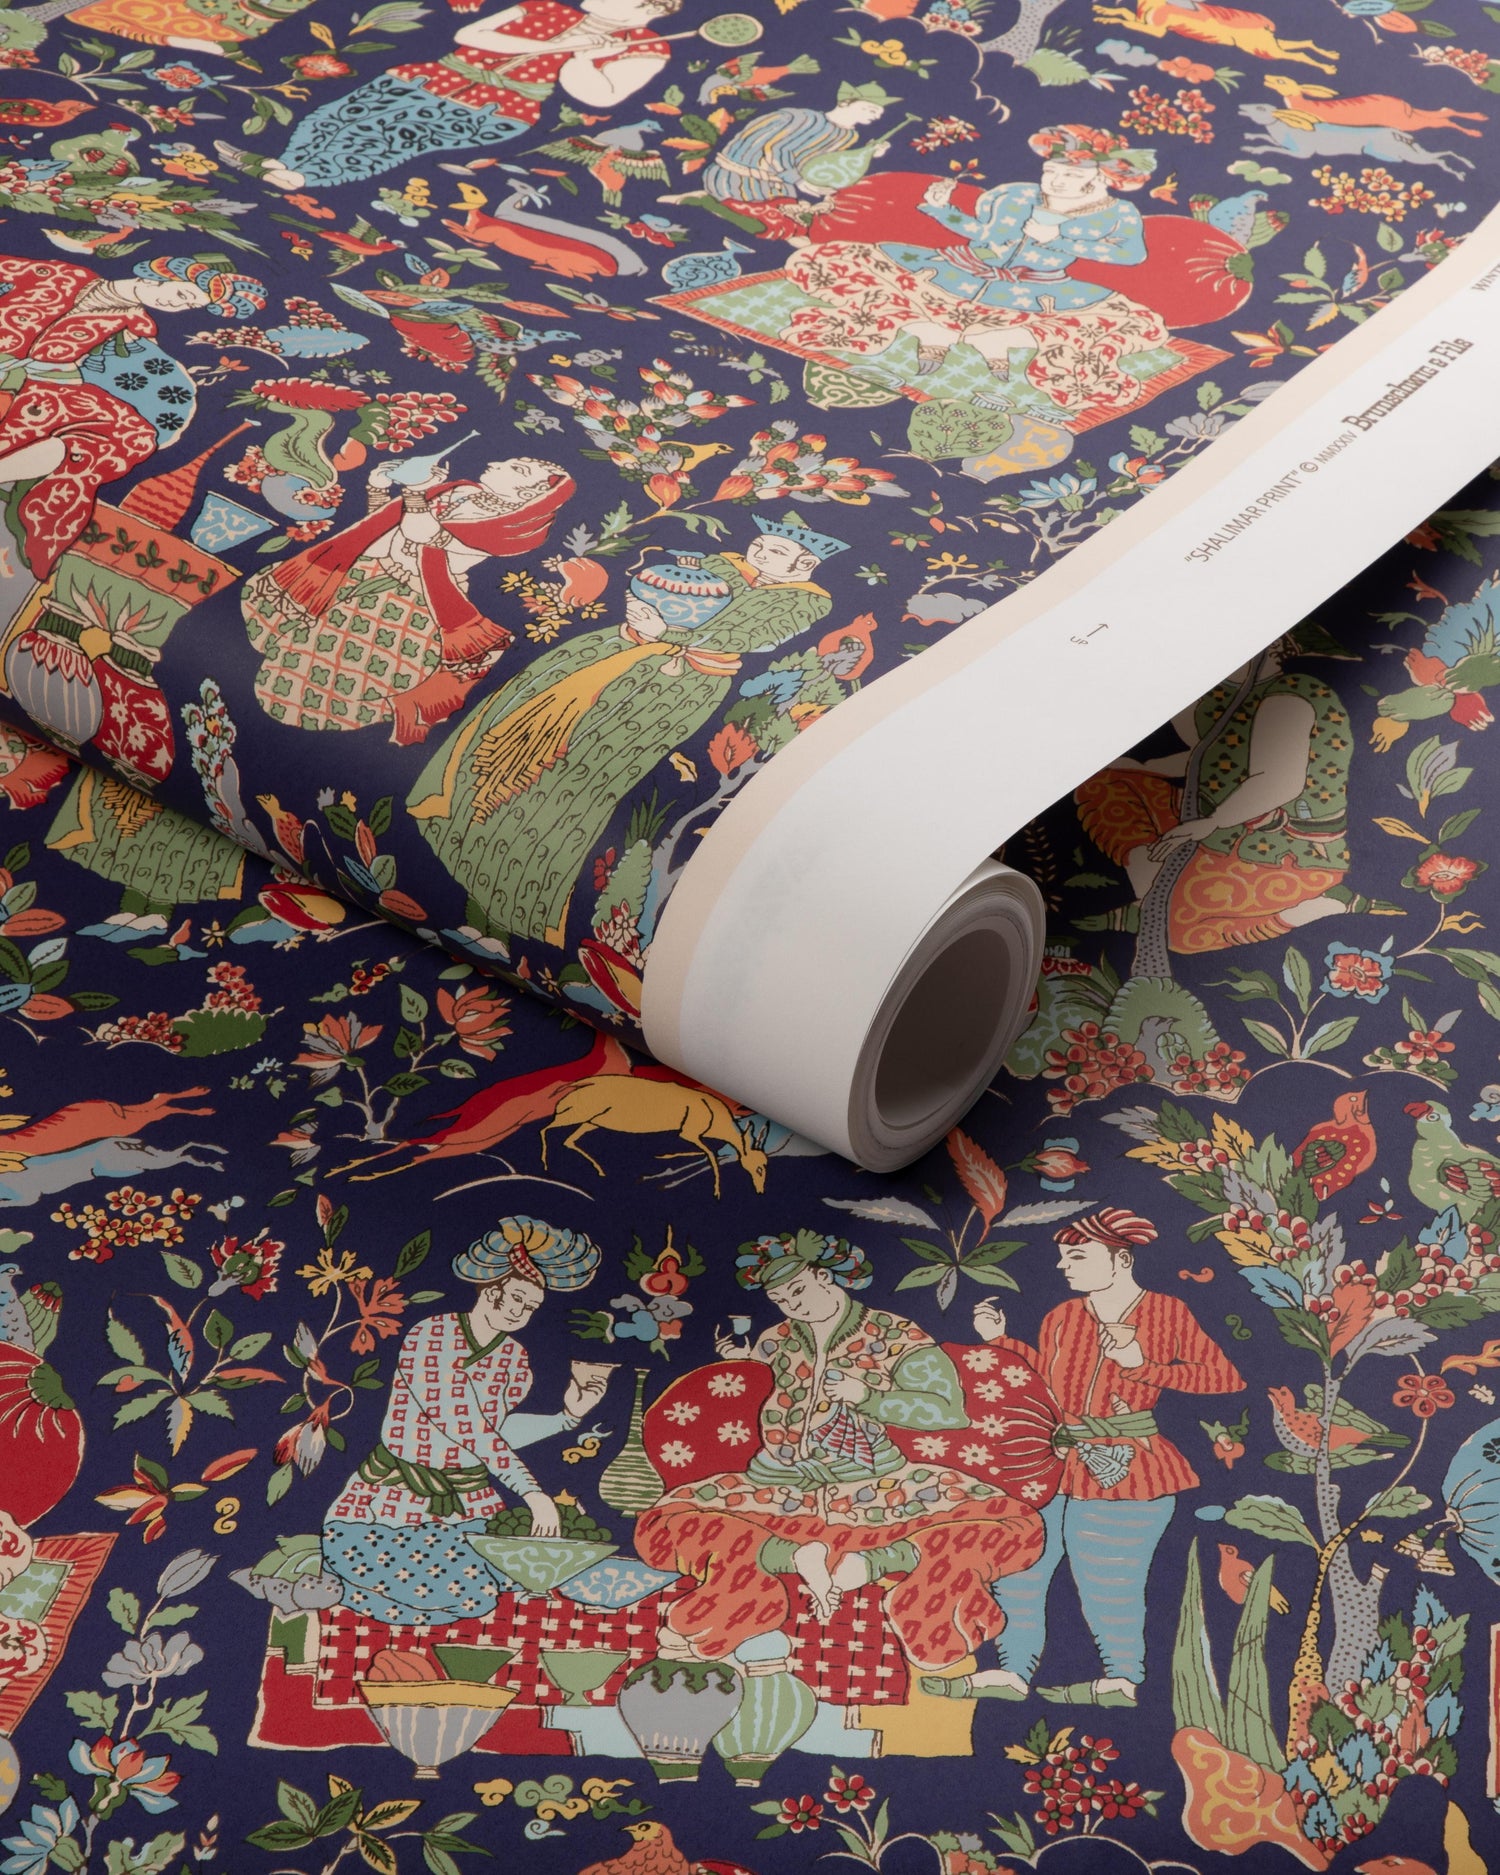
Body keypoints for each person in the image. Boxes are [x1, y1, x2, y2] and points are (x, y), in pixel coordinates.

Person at [408, 511, 844, 945]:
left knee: (576, 772)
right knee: (515, 722)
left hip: (675, 686)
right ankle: (457, 831)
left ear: (805, 563)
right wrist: (644, 609)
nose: (760, 553)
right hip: (616, 648)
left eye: (777, 551)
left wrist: (666, 631)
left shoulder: (805, 602)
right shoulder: (725, 564)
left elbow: (743, 635)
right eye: (761, 544)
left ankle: (511, 894)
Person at [632, 1229, 1046, 1671]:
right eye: (780, 1299)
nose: (792, 1305)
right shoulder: (776, 1338)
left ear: (825, 1277)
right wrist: (744, 1362)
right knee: (661, 1526)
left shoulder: (895, 1334)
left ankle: (883, 1563)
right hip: (776, 1485)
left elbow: (948, 1411)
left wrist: (867, 1396)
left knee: (1017, 1528)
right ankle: (780, 1563)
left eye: (798, 1291)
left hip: (876, 1487)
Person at [921, 1208, 1243, 1708]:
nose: (1063, 1267)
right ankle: (1011, 1671)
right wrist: (999, 1342)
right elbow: (1046, 1383)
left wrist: (1142, 1365)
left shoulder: (1166, 1312)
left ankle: (1121, 1680)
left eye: (1077, 1257)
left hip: (1130, 1469)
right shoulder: (1063, 1315)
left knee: (1108, 1583)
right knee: (1019, 1568)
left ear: (1120, 1260)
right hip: (1053, 1463)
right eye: (1063, 1257)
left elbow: (1224, 1377)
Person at [777, 124, 1170, 451]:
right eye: (1052, 171)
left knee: (1123, 322)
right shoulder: (1018, 194)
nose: (1056, 181)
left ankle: (999, 339)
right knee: (845, 262)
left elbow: (1130, 255)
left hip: (1037, 290)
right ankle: (926, 329)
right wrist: (941, 209)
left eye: (1071, 176)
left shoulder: (1118, 213)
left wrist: (1061, 239)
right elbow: (982, 234)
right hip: (958, 269)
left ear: (1100, 179)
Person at [321, 1218, 611, 1624]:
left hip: (470, 1503)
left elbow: (495, 1432)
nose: (521, 1312)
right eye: (517, 1298)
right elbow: (465, 1426)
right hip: (392, 1502)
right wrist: (533, 1493)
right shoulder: (431, 1337)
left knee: (510, 1589)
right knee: (461, 1596)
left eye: (531, 1307)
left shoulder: (514, 1358)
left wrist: (567, 1417)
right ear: (491, 1291)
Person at [1074, 630, 1390, 953]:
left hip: (1282, 848)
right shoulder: (1228, 695)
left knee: (1179, 934)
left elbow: (1277, 782)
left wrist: (1211, 822)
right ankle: (1152, 894)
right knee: (1104, 786)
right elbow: (1205, 759)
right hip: (1211, 820)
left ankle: (1309, 907)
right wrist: (1140, 768)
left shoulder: (1291, 695)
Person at [241, 456, 574, 745]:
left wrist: (416, 492)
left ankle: (296, 724)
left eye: (516, 470)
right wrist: (378, 487)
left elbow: (422, 534)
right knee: (302, 640)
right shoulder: (460, 490)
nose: (495, 464)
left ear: (528, 494)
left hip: (413, 601)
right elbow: (386, 527)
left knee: (344, 666)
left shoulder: (514, 529)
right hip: (370, 571)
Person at [217, 0, 680, 193]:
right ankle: (281, 162)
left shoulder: (645, 47)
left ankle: (305, 178)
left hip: (492, 108)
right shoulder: (544, 8)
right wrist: (557, 43)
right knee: (337, 115)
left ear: (650, 8)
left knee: (390, 136)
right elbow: (472, 34)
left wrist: (583, 59)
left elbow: (598, 97)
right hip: (431, 75)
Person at [0, 254, 263, 579]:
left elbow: (140, 371)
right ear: (161, 277)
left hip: (48, 382)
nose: (177, 304)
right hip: (17, 366)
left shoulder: (137, 323)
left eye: (188, 305)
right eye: (182, 294)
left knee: (131, 434)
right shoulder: (61, 275)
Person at [667, 81, 896, 230]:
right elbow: (771, 148)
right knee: (771, 227)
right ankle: (705, 201)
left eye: (878, 113)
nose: (875, 117)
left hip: (780, 186)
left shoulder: (847, 136)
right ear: (846, 102)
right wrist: (797, 179)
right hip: (739, 178)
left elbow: (822, 165)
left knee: (803, 226)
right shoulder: (797, 118)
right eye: (871, 109)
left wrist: (867, 154)